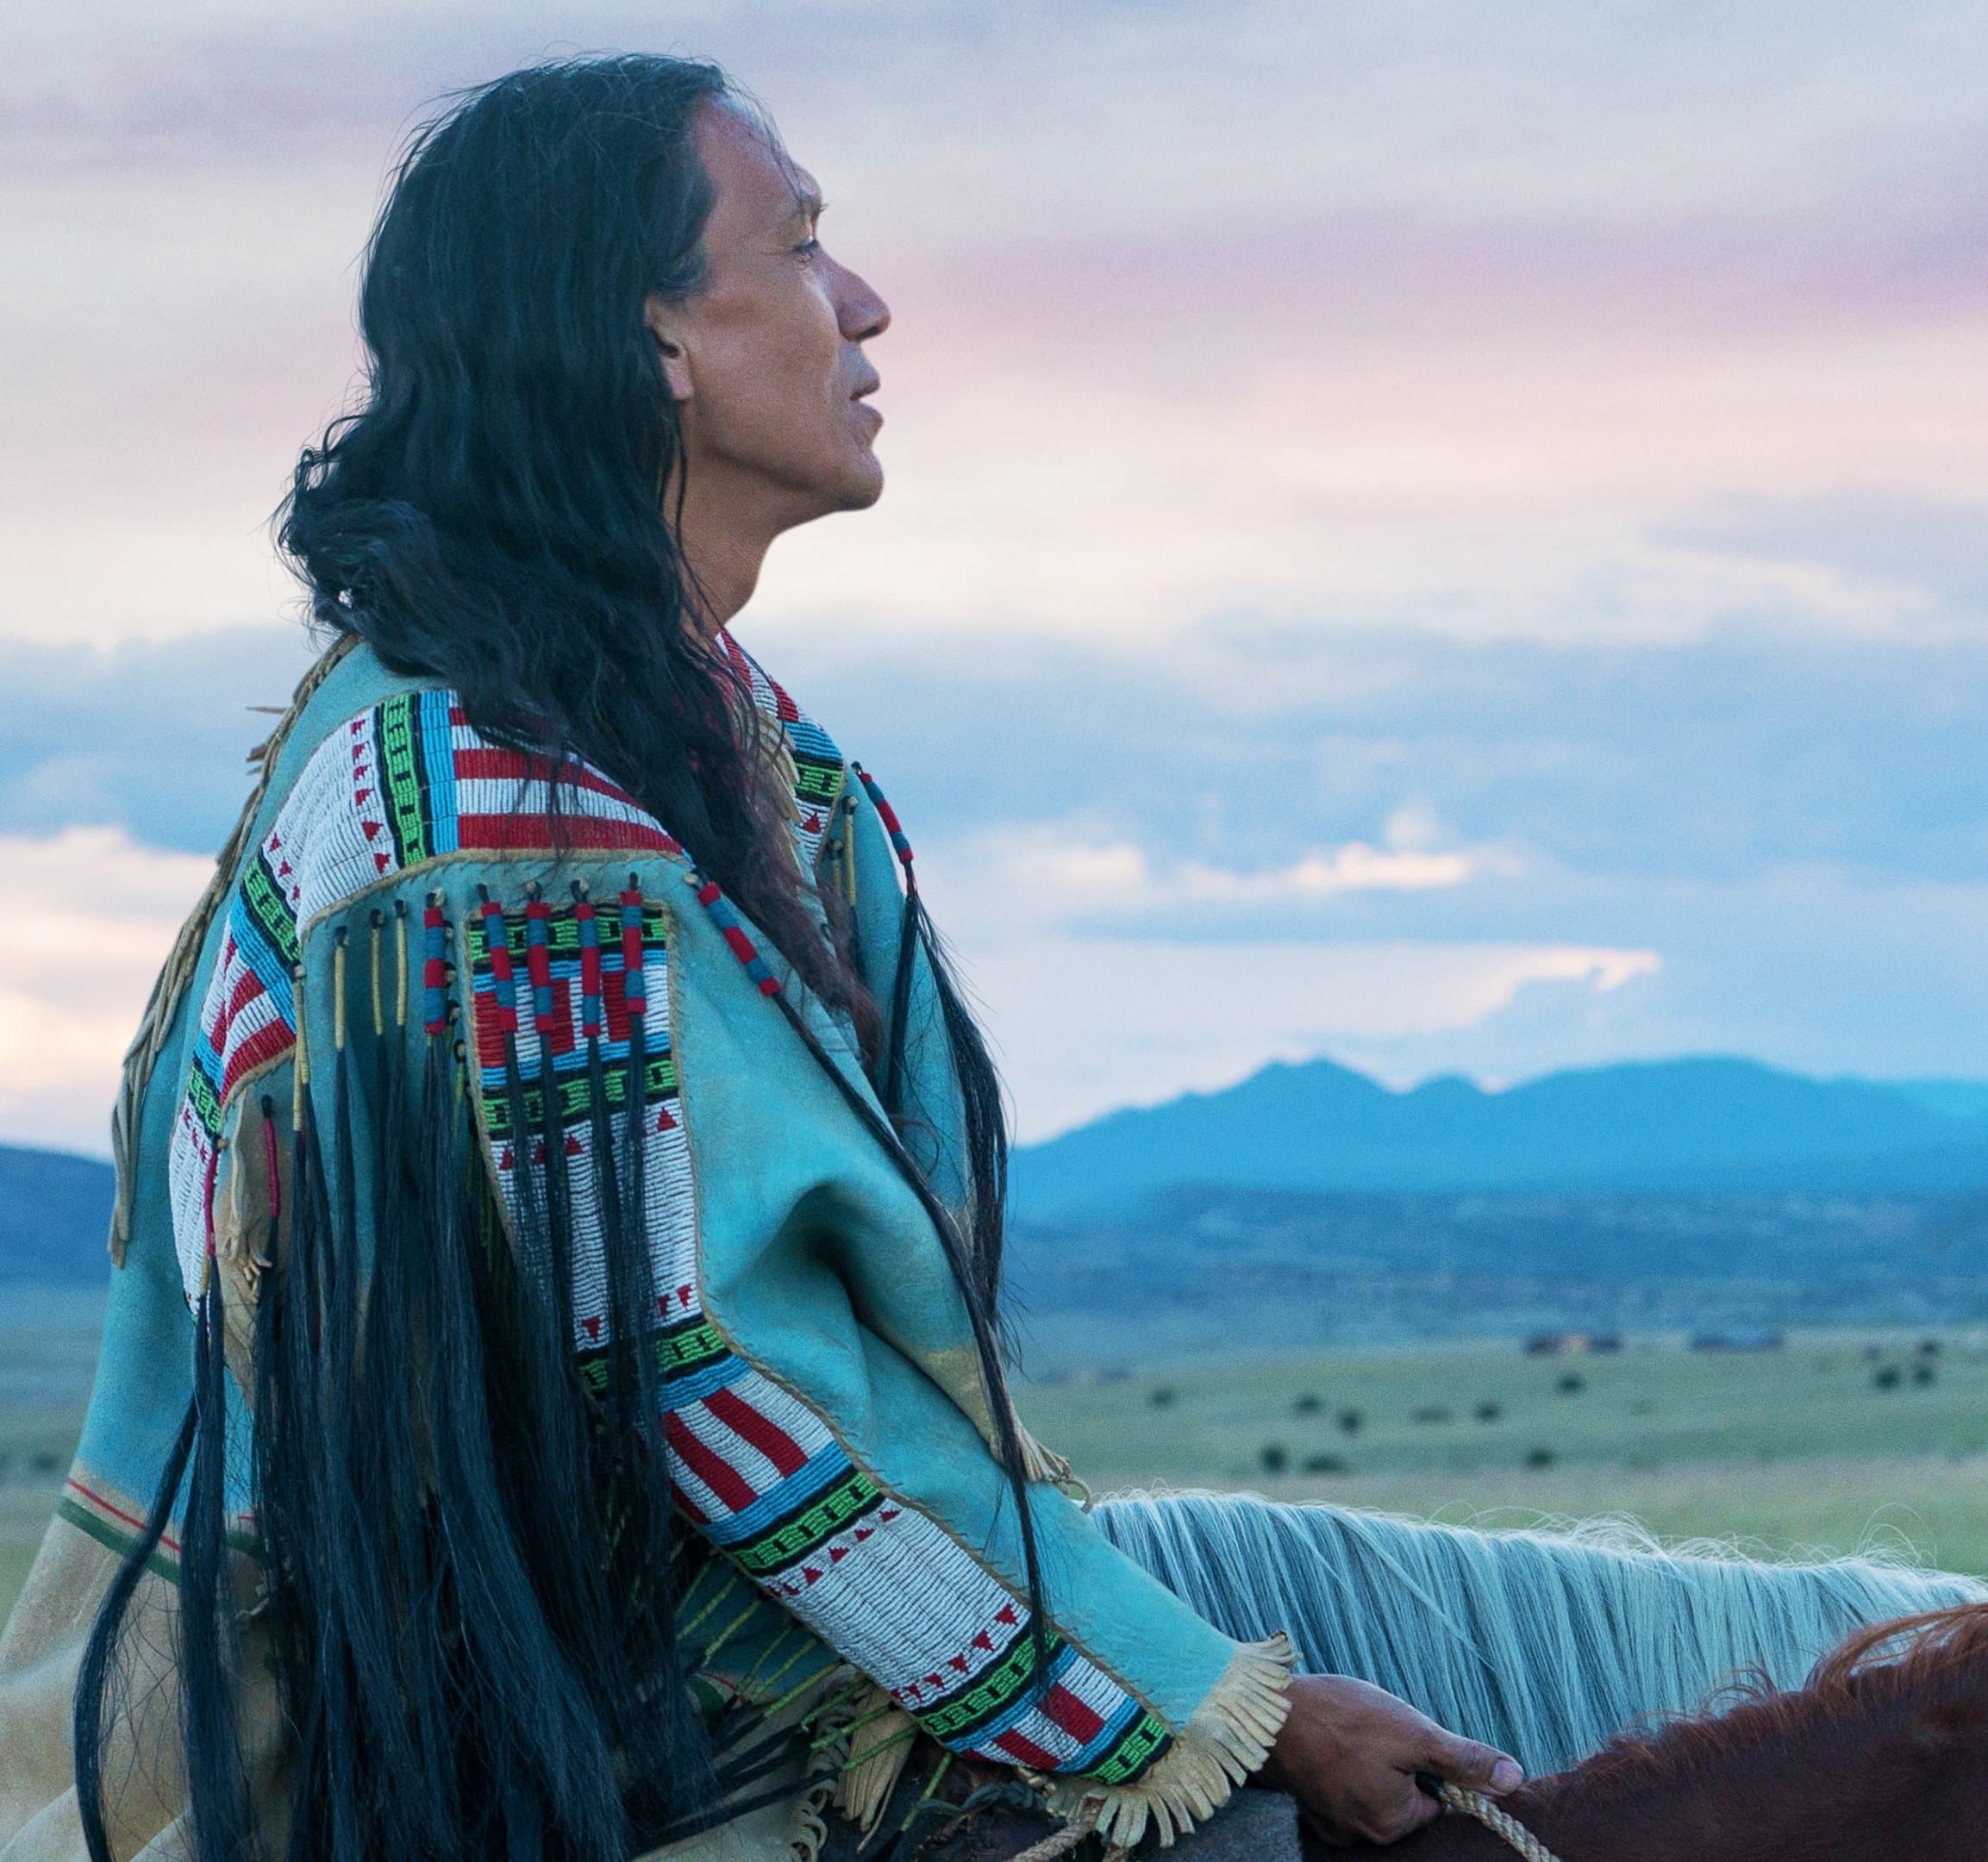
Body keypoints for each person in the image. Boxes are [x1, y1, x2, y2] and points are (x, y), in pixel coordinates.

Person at [0, 57, 1520, 1862]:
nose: (864, 304)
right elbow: (684, 1352)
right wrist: (1207, 1703)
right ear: (653, 335)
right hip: (485, 1761)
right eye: (799, 245)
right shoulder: (486, 807)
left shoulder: (710, 750)